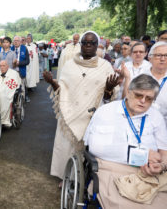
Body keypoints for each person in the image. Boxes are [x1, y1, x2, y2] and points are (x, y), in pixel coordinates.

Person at [84, 74, 167, 209]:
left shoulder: (155, 116)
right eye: (139, 95)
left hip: (146, 173)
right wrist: (144, 155)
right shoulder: (106, 112)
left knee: (165, 205)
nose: (143, 101)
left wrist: (162, 166)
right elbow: (95, 148)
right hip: (111, 170)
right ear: (128, 92)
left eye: (149, 98)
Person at [43, 31, 120, 181]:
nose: (88, 46)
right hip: (69, 113)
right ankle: (65, 177)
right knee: (66, 146)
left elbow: (108, 98)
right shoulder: (69, 65)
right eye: (85, 43)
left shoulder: (105, 66)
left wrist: (109, 89)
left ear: (97, 46)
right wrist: (52, 82)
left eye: (92, 43)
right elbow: (62, 89)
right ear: (80, 45)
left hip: (92, 116)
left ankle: (82, 179)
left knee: (88, 149)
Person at [123, 42, 167, 157]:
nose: (163, 59)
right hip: (144, 131)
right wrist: (127, 78)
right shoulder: (139, 77)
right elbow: (127, 102)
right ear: (150, 57)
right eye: (159, 55)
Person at [0, 60, 22, 127]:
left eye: (4, 66)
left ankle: (4, 120)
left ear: (8, 66)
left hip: (7, 93)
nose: (2, 67)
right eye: (0, 66)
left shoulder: (14, 74)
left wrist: (3, 91)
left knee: (2, 96)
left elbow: (15, 85)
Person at [11, 36, 30, 102]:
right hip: (12, 72)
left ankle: (25, 97)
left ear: (20, 42)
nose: (15, 42)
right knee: (13, 86)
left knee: (22, 85)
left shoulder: (24, 48)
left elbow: (27, 61)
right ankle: (14, 99)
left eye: (17, 40)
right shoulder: (11, 49)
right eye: (14, 41)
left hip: (21, 70)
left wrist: (19, 63)